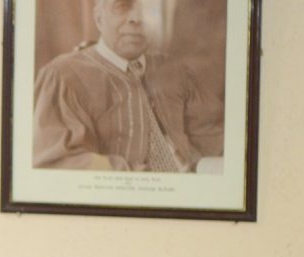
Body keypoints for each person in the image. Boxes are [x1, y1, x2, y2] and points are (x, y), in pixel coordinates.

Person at [32, 0, 204, 172]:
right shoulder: (64, 76)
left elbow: (205, 135)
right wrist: (143, 178)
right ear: (99, 19)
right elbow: (59, 162)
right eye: (122, 6)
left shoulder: (174, 70)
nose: (137, 18)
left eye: (148, 8)